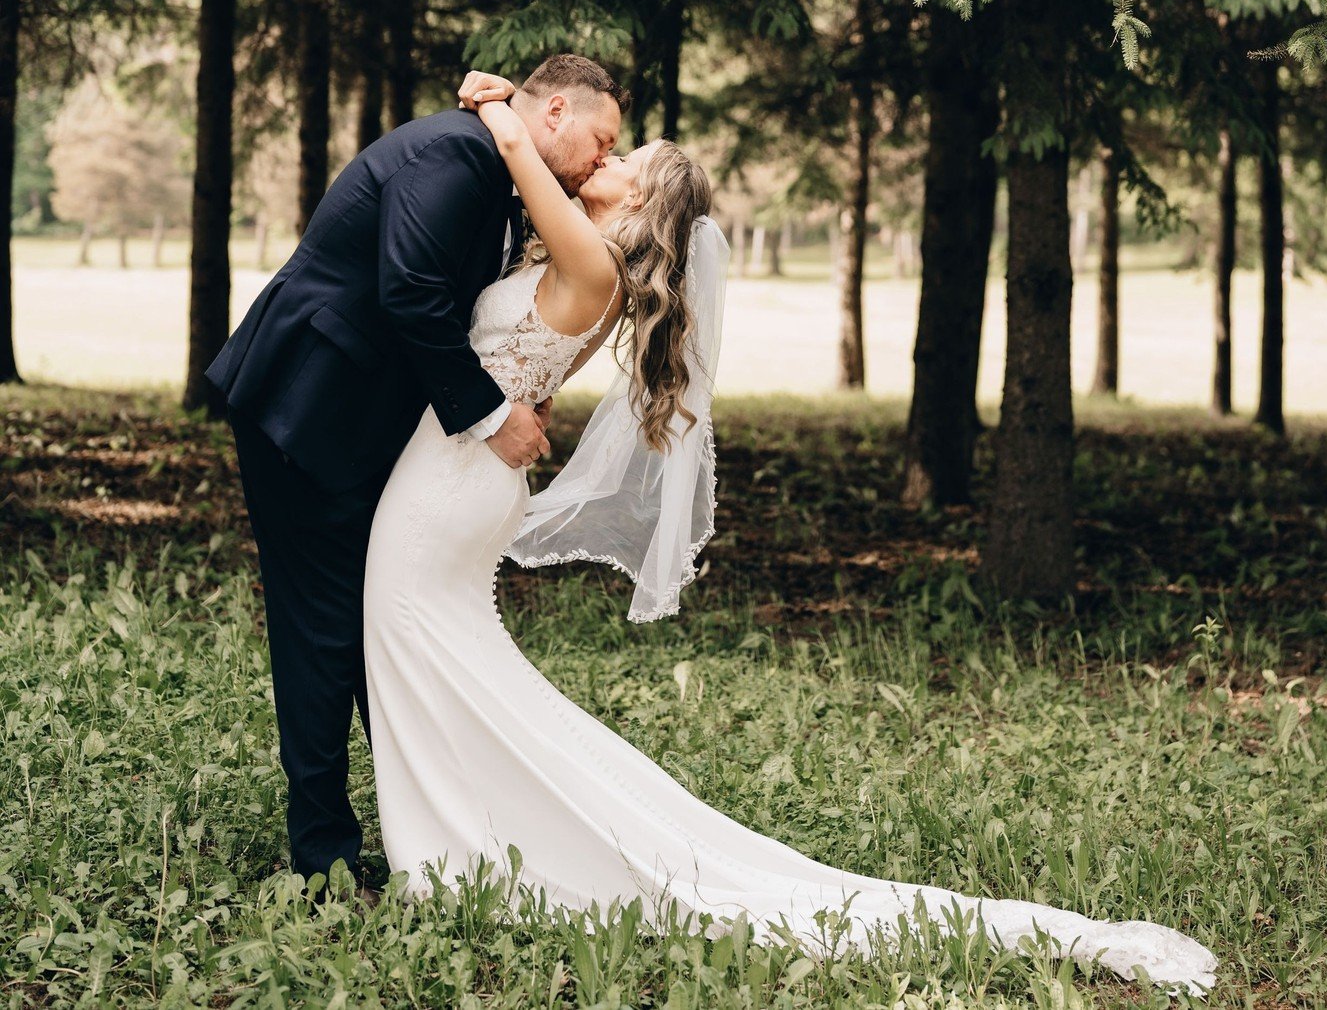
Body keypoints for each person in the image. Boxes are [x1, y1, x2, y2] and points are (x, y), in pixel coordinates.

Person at [360, 74, 1218, 995]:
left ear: (642, 203)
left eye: (623, 158)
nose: (607, 159)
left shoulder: (593, 267)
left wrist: (494, 98)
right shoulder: (586, 265)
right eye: (611, 147)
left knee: (410, 638)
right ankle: (458, 837)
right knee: (446, 661)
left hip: (450, 485)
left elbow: (518, 147)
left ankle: (451, 848)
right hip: (467, 476)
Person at [206, 54, 625, 891]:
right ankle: (323, 860)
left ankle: (431, 824)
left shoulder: (501, 170)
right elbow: (410, 290)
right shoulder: (455, 155)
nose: (602, 159)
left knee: (366, 625)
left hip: (363, 421)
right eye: (601, 140)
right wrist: (493, 414)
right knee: (321, 630)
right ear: (555, 113)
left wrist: (520, 384)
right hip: (306, 405)